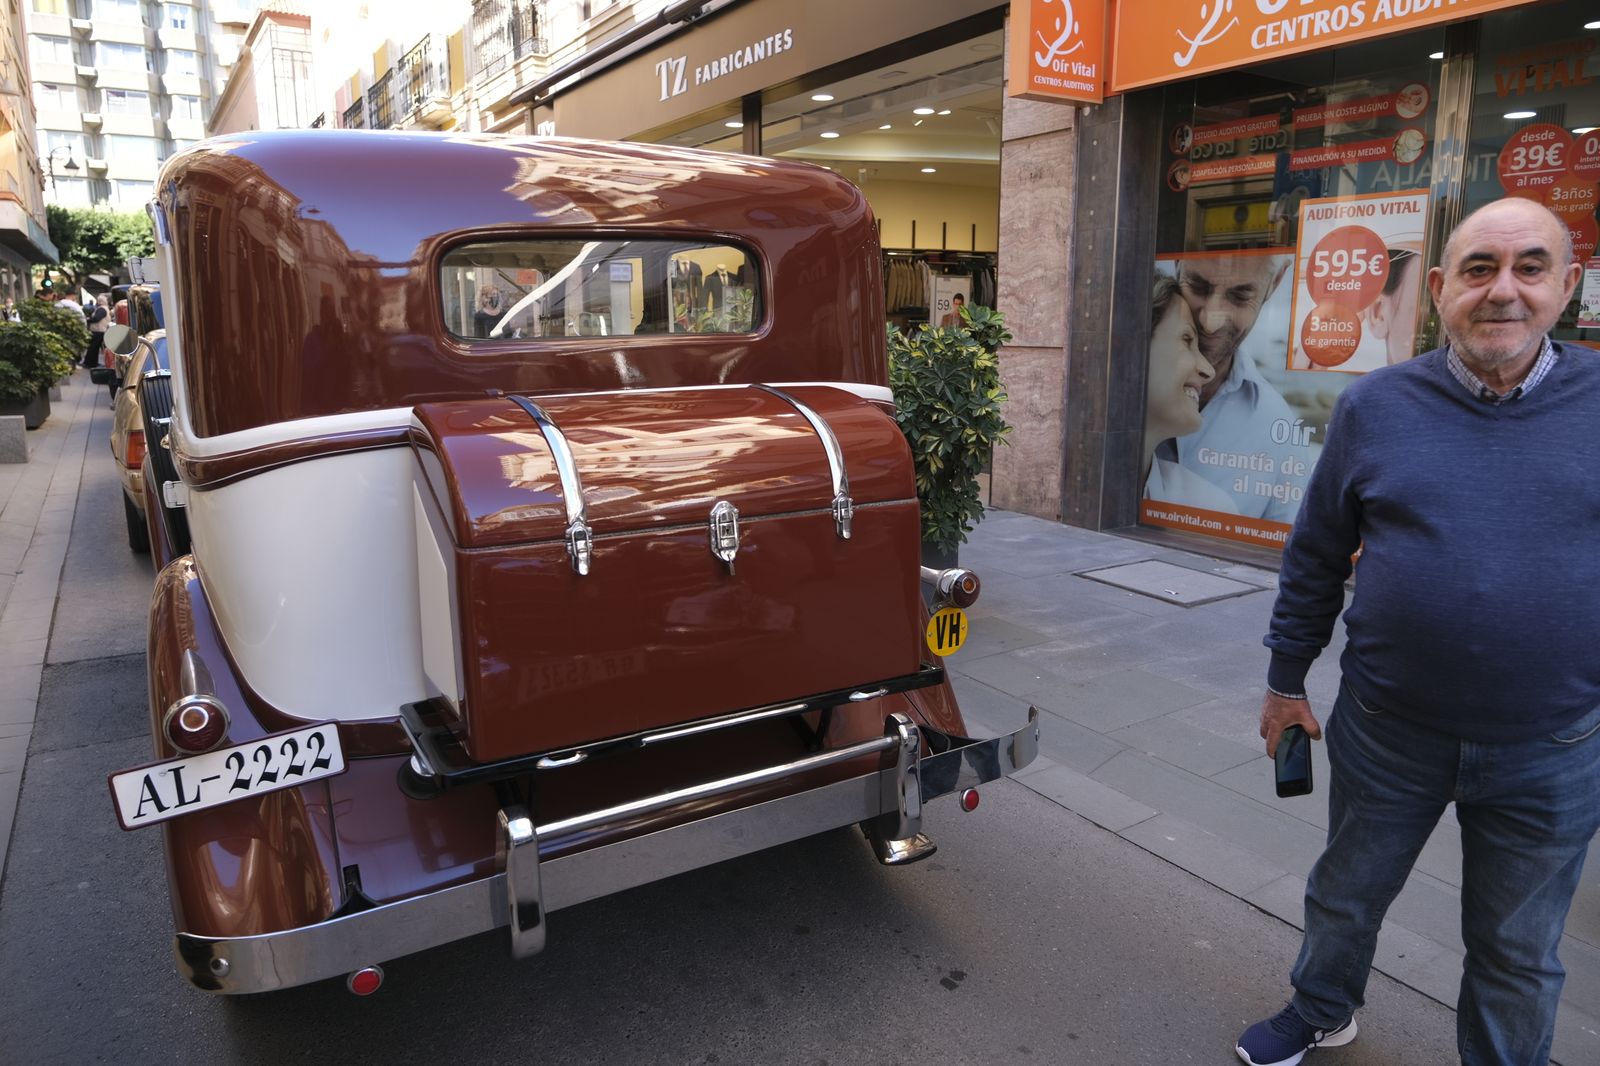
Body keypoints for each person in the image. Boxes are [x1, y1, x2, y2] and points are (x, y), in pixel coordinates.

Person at [1236, 198, 1596, 1066]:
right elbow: (1317, 551)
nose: (1502, 291)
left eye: (1529, 267)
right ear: (1438, 289)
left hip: (1550, 745)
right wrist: (1287, 682)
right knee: (1346, 895)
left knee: (1516, 948)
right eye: (1479, 269)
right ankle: (1322, 1007)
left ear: (1569, 286)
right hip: (1386, 730)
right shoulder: (1378, 405)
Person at [1171, 253, 1310, 522]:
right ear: (1176, 264)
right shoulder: (1122, 389)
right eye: (1198, 287)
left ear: (1276, 282)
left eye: (1239, 296)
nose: (1211, 320)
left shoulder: (1278, 428)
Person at [1142, 276, 1234, 513]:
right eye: (1187, 340)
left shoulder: (1209, 508)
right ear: (1133, 345)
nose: (1209, 371)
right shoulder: (1205, 506)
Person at [84, 294, 110, 368]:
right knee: (94, 348)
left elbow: (97, 318)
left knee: (93, 348)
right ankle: (93, 363)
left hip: (98, 331)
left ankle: (90, 363)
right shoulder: (104, 308)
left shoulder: (102, 309)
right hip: (100, 331)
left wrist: (89, 320)